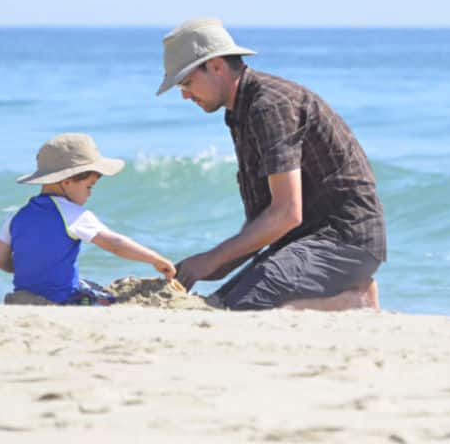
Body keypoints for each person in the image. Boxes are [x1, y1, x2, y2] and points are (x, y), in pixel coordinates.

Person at [156, 18, 385, 311]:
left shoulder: (270, 106)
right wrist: (208, 267)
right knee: (221, 301)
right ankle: (343, 290)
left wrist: (211, 259)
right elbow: (264, 219)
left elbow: (287, 213)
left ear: (216, 66)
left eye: (186, 82)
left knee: (242, 308)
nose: (185, 94)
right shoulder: (240, 112)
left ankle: (356, 299)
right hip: (301, 243)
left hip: (345, 242)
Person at [0, 132, 176, 305]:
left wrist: (32, 269)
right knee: (106, 300)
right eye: (89, 187)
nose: (90, 194)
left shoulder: (17, 216)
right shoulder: (72, 214)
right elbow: (115, 244)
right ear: (67, 183)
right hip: (61, 299)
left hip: (22, 297)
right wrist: (156, 260)